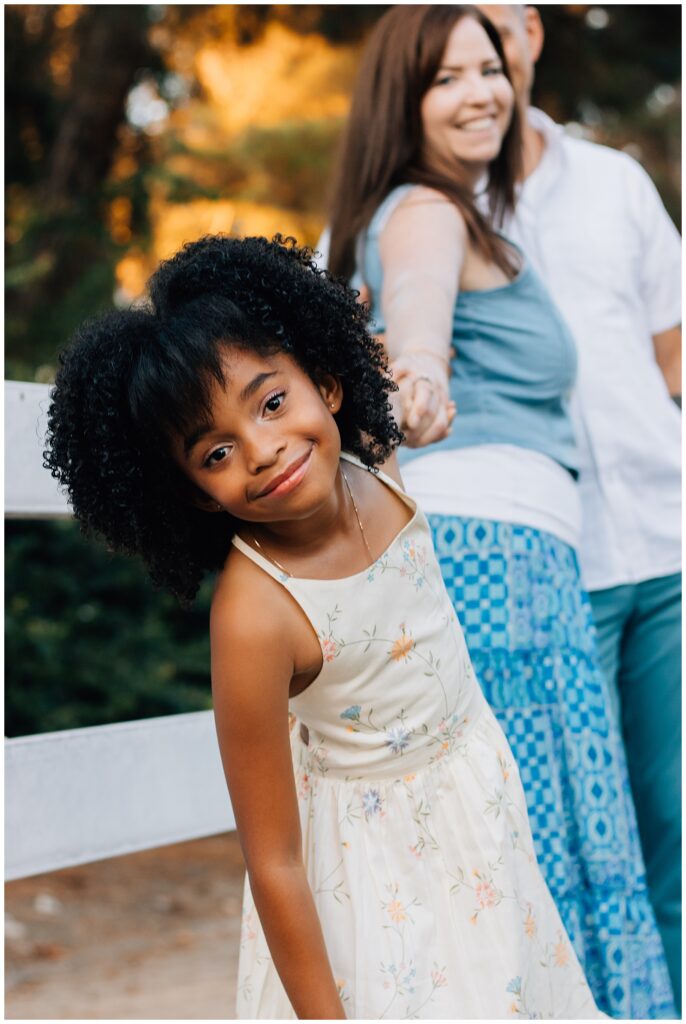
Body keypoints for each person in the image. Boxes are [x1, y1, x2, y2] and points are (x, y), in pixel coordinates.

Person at [44, 233, 605, 1020]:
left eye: (272, 402)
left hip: (476, 806)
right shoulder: (255, 613)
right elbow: (271, 859)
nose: (266, 449)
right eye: (217, 452)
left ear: (328, 384)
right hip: (379, 878)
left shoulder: (374, 462)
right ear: (199, 494)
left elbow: (389, 356)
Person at [324, 5, 675, 1018]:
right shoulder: (427, 211)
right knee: (532, 841)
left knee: (555, 834)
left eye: (486, 67)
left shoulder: (582, 185)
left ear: (522, 52)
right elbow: (419, 319)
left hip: (553, 554)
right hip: (494, 557)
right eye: (445, 78)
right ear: (406, 98)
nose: (477, 90)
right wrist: (419, 376)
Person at [474, 6, 682, 1009]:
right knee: (573, 848)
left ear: (529, 34)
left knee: (678, 829)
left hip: (667, 544)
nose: (482, 58)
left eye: (499, 23)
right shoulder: (416, 204)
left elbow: (669, 342)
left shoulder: (613, 179)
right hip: (540, 575)